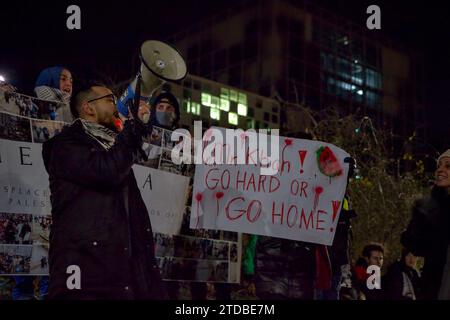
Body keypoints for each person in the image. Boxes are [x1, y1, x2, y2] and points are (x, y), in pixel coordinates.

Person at [41, 82, 166, 299]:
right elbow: (107, 171)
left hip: (120, 265)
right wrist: (132, 128)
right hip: (85, 266)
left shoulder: (112, 144)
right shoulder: (65, 145)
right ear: (88, 108)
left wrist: (137, 129)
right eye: (109, 99)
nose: (116, 104)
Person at [401, 149, 450, 299]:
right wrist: (419, 219)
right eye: (439, 165)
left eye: (448, 166)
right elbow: (413, 245)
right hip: (433, 286)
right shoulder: (430, 207)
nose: (440, 170)